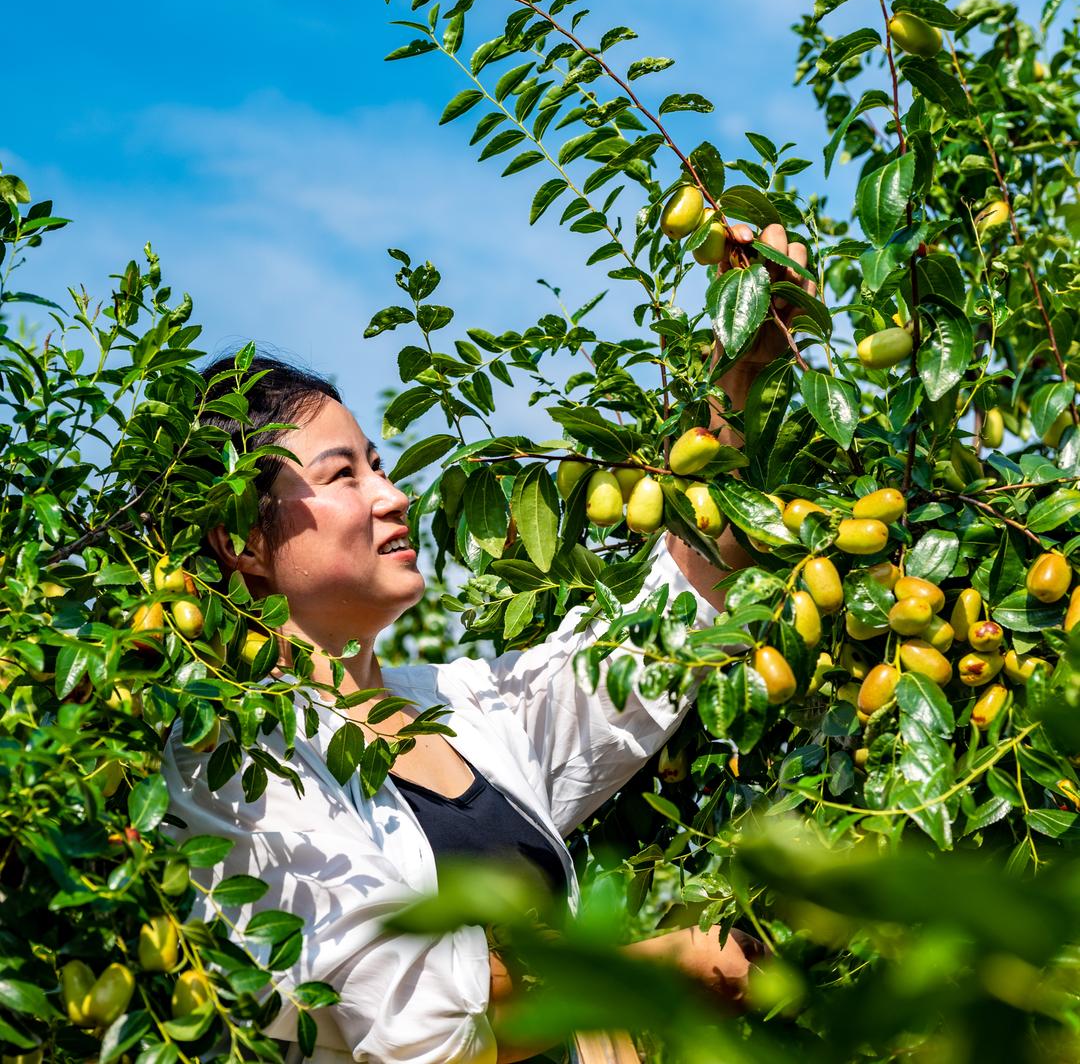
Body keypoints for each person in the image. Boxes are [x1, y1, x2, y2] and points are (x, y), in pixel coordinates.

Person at [163, 223, 814, 1063]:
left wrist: (745, 368)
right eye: (342, 476)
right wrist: (662, 967)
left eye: (381, 463)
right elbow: (408, 1017)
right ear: (240, 541)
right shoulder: (232, 757)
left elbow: (664, 629)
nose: (394, 495)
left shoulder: (462, 704)